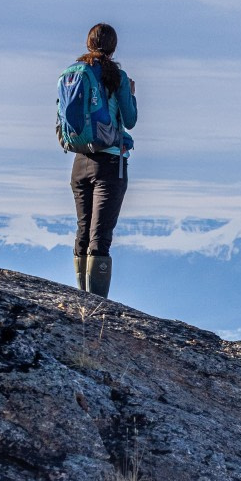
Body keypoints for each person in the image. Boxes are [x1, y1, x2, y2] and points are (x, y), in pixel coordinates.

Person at [68, 23, 138, 298]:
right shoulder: (117, 76)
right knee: (100, 237)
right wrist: (130, 93)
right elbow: (130, 121)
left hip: (80, 161)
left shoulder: (75, 74)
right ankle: (96, 305)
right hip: (109, 163)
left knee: (83, 232)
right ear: (113, 47)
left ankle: (80, 300)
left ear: (88, 44)